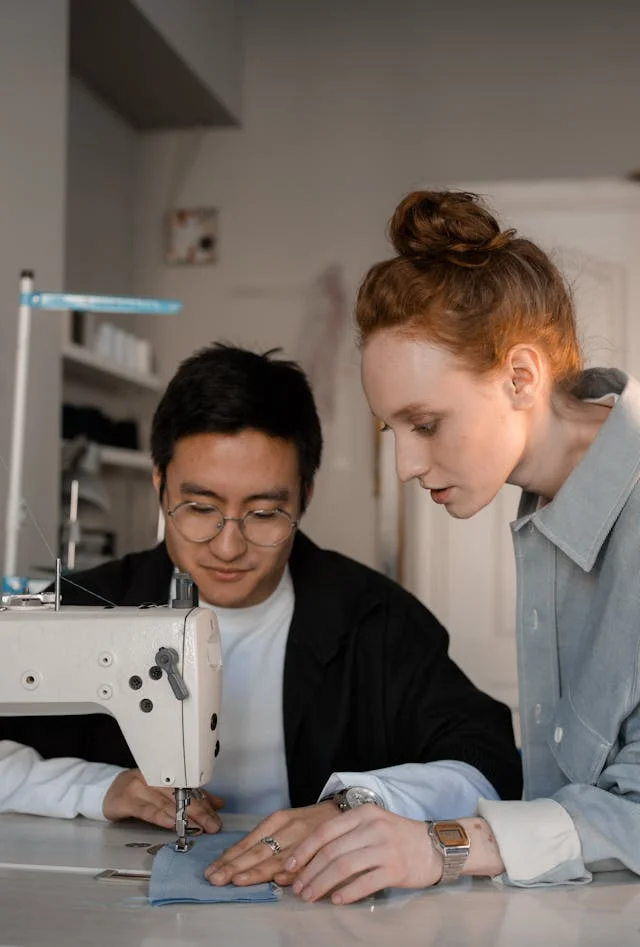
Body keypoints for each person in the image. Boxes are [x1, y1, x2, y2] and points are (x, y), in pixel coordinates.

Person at [237, 189, 640, 905]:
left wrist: (445, 844)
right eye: (393, 430)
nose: (406, 466)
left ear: (520, 377)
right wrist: (376, 807)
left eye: (425, 423)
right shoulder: (549, 509)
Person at [0, 343, 520, 862]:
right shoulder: (80, 609)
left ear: (304, 497)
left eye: (265, 514)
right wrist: (94, 789)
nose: (228, 546)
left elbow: (487, 763)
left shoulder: (378, 620)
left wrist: (355, 805)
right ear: (160, 485)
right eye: (200, 508)